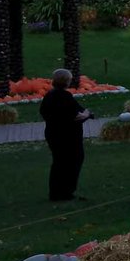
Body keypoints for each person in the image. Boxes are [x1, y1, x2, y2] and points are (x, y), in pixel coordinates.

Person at [40, 68, 91, 201]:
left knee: (58, 163)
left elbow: (44, 112)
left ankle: (56, 192)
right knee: (72, 162)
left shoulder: (49, 96)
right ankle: (66, 192)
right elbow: (77, 115)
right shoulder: (65, 97)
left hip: (53, 134)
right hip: (68, 137)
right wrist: (87, 114)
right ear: (66, 81)